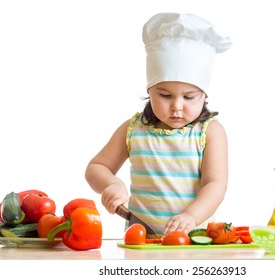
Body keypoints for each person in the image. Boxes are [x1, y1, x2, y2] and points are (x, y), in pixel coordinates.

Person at [85, 12, 232, 235]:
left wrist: (191, 216)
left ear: (203, 95)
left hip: (194, 238)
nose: (177, 106)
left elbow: (215, 185)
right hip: (140, 238)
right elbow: (97, 167)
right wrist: (111, 184)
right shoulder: (133, 129)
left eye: (189, 97)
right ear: (149, 90)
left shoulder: (210, 132)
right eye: (164, 95)